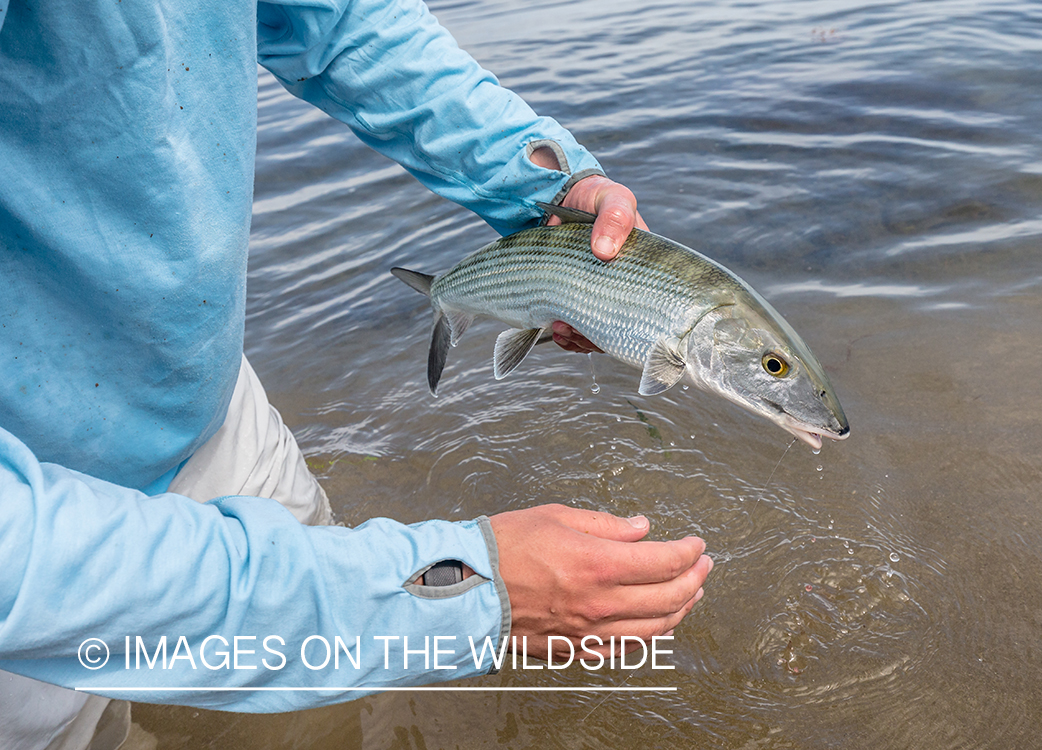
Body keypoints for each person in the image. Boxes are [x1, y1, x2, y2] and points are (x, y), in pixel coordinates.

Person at [0, 0, 711, 748]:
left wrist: (536, 182)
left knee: (324, 712)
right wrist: (455, 592)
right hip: (36, 532)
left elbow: (335, 19)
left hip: (198, 393)